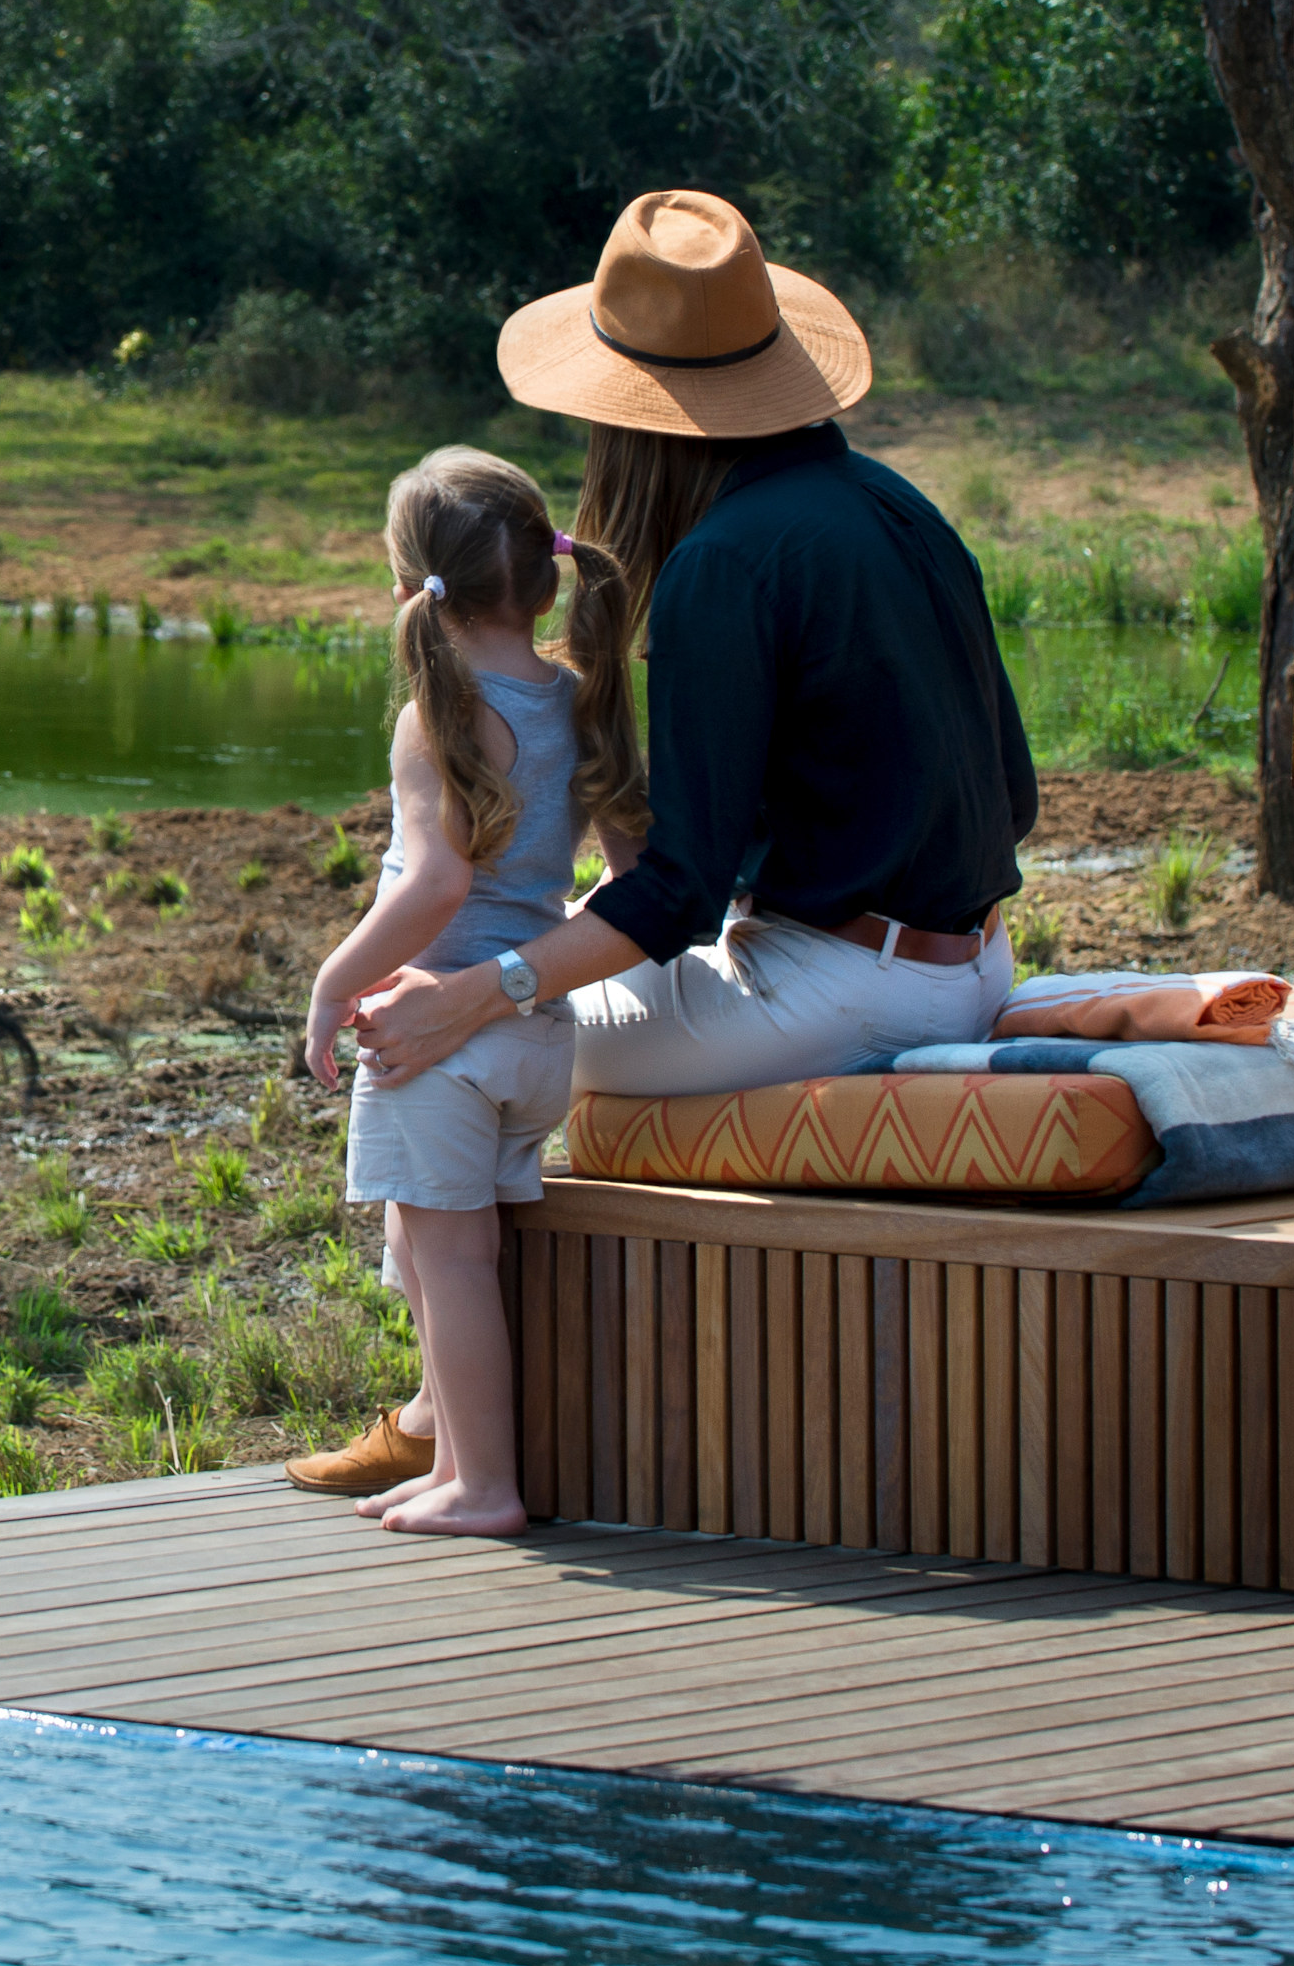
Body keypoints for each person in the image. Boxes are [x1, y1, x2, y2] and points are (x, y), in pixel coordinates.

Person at [314, 192, 1034, 1472]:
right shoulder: (899, 507)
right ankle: (441, 1407)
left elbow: (680, 896)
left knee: (425, 1043)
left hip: (838, 988)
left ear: (633, 417)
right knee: (458, 1023)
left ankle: (444, 1426)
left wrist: (481, 989)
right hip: (971, 965)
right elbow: (1013, 798)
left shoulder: (723, 565)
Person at [291, 447, 635, 1534]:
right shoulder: (582, 700)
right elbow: (627, 887)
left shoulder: (431, 715)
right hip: (535, 1030)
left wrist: (331, 980)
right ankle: (445, 1443)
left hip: (437, 1039)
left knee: (449, 1259)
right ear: (544, 579)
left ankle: (482, 1482)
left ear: (407, 587)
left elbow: (435, 884)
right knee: (436, 1244)